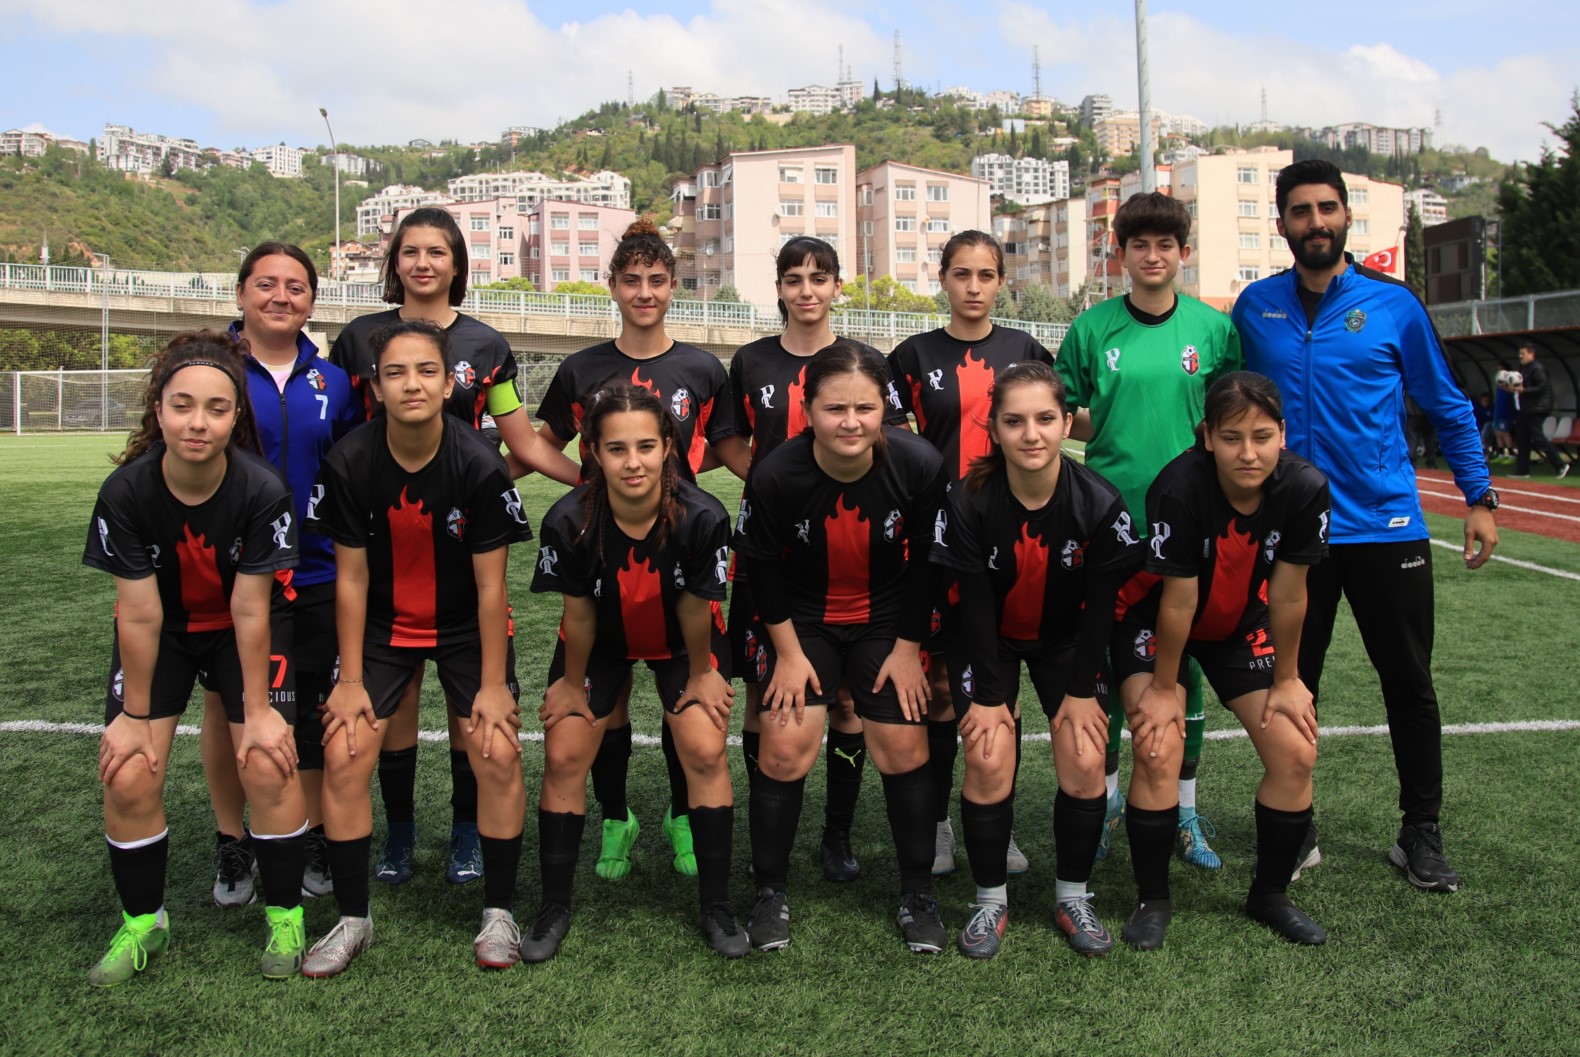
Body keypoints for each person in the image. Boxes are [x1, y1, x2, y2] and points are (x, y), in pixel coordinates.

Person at [1234, 159, 1499, 892]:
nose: (1315, 221)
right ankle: (1298, 821)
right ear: (1281, 223)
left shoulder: (1393, 305)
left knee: (1409, 685)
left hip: (1387, 528)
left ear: (1347, 216)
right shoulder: (1255, 309)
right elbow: (1231, 414)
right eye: (1300, 211)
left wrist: (1480, 496)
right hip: (1292, 539)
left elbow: (1446, 403)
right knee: (1291, 683)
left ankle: (1420, 833)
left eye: (1327, 208)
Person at [330, 207, 577, 892]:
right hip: (385, 535)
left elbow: (521, 442)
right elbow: (344, 439)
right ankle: (402, 831)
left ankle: (468, 828)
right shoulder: (356, 340)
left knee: (474, 703)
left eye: (437, 251)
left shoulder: (487, 344)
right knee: (397, 694)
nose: (423, 264)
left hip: (466, 541)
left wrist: (594, 482)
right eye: (409, 251)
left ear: (458, 263)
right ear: (394, 264)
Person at [302, 320, 533, 976]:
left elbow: (493, 590)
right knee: (344, 752)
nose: (412, 383)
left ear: (449, 380)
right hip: (381, 627)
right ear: (375, 385)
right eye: (397, 371)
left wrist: (492, 685)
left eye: (427, 371)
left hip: (464, 624)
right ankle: (353, 917)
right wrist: (348, 678)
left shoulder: (481, 465)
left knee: (495, 747)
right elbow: (350, 576)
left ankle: (498, 911)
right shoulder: (349, 460)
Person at [84, 330, 308, 984]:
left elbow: (250, 610)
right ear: (158, 409)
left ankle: (286, 915)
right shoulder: (125, 492)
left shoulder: (261, 489)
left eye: (215, 408)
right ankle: (142, 922)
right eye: (182, 405)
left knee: (267, 762)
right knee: (127, 770)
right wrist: (131, 716)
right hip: (168, 630)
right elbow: (142, 612)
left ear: (236, 415)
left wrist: (262, 711)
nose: (197, 422)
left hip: (242, 626)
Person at [535, 218, 740, 882]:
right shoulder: (581, 367)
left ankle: (685, 814)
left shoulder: (704, 367)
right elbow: (538, 439)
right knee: (606, 702)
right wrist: (582, 482)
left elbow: (733, 448)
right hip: (604, 552)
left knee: (693, 713)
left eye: (656, 280)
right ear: (613, 286)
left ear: (673, 286)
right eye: (632, 280)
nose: (645, 292)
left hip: (675, 551)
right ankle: (617, 814)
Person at [735, 341, 949, 954]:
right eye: (835, 409)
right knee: (784, 747)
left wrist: (909, 649)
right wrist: (789, 654)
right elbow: (760, 567)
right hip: (802, 621)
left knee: (903, 743)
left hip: (888, 619)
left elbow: (931, 564)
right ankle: (770, 891)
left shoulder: (920, 464)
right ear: (808, 411)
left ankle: (917, 895)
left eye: (865, 407)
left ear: (885, 409)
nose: (850, 422)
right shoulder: (776, 472)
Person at [521, 382, 746, 960]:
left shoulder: (702, 516)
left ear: (669, 446)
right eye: (616, 448)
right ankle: (554, 907)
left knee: (703, 745)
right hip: (603, 640)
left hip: (681, 642)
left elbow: (696, 609)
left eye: (646, 446)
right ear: (591, 452)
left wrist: (702, 675)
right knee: (566, 750)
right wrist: (572, 686)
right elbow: (580, 615)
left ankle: (716, 905)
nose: (633, 461)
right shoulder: (570, 518)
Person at [1056, 190, 1244, 874]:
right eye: (1140, 245)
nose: (1154, 255)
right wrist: (1105, 430)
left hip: (1189, 523)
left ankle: (1185, 808)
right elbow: (1060, 410)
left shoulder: (1214, 329)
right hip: (1109, 520)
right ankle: (1105, 800)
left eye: (1166, 245)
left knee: (1182, 668)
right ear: (1122, 254)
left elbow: (1227, 416)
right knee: (1103, 663)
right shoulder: (1091, 329)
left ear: (1183, 254)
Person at [1111, 371, 1331, 948]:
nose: (1248, 452)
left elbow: (1287, 594)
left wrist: (1288, 679)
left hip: (1239, 624)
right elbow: (1178, 600)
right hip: (1157, 620)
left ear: (1283, 434)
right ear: (1206, 436)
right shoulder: (1179, 487)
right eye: (1232, 437)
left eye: (1262, 436)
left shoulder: (1306, 487)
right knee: (1158, 747)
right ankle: (1152, 899)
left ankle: (1270, 894)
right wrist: (1163, 688)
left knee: (1296, 750)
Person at [933, 362, 1139, 959]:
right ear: (993, 428)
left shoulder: (1098, 501)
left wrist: (1080, 692)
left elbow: (1101, 610)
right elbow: (971, 607)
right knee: (990, 754)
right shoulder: (969, 500)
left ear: (1067, 423)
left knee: (1083, 753)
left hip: (1067, 641)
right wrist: (992, 697)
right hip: (988, 640)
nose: (1032, 434)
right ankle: (989, 901)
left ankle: (1073, 895)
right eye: (1015, 421)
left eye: (1046, 419)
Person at [884, 229, 1054, 877]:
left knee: (996, 686)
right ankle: (937, 824)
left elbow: (1047, 434)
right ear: (944, 278)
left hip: (1008, 546)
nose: (974, 286)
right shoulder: (912, 354)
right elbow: (897, 448)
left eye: (986, 274)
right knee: (933, 690)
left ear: (1001, 279)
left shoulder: (1026, 351)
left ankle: (996, 820)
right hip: (931, 545)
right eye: (962, 274)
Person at [202, 243, 361, 911]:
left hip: (318, 567)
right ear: (240, 294)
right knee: (229, 703)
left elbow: (351, 466)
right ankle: (231, 838)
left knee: (317, 707)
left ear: (311, 302)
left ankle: (318, 833)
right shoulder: (212, 371)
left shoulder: (334, 381)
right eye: (266, 284)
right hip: (232, 572)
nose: (281, 296)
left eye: (296, 286)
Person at [723, 236, 879, 883]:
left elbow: (884, 444)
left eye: (819, 278)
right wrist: (771, 485)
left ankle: (837, 832)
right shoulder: (753, 360)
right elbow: (728, 438)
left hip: (848, 546)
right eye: (794, 279)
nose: (807, 290)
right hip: (770, 548)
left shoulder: (865, 361)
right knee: (767, 693)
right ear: (780, 287)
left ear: (838, 286)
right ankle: (772, 828)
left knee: (846, 700)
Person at [1506, 344, 1569, 479]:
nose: (1520, 356)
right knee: (1522, 439)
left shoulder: (1537, 368)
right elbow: (1521, 386)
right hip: (1524, 409)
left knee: (1538, 437)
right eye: (1520, 353)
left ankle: (1560, 465)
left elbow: (1542, 386)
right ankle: (1523, 471)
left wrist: (1524, 390)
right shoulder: (1524, 368)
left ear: (1531, 354)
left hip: (1537, 408)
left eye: (1523, 353)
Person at [1490, 367, 1518, 462]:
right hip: (1498, 413)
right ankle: (1501, 454)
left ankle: (1511, 454)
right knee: (1498, 433)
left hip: (1506, 413)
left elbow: (1513, 394)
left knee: (1505, 433)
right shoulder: (1499, 386)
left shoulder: (1510, 386)